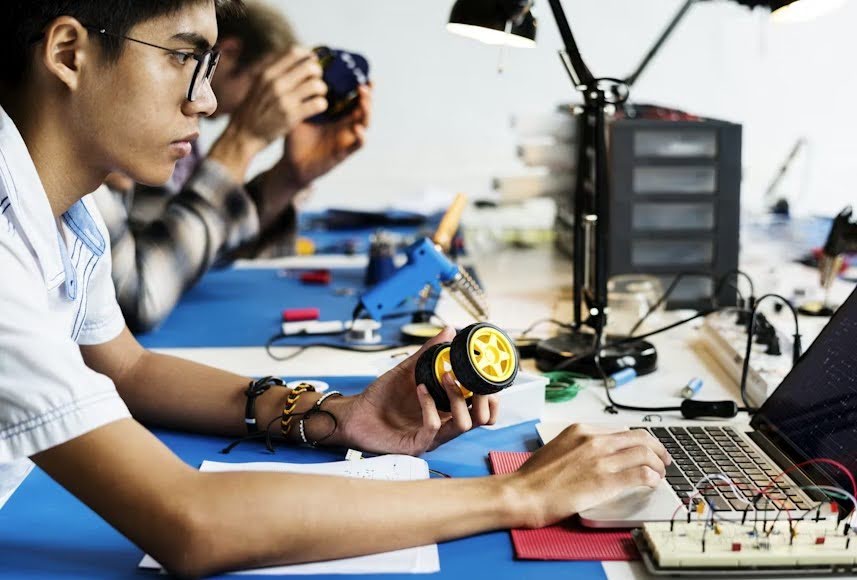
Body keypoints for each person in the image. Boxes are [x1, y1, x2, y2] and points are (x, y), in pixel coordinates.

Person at [0, 1, 670, 577]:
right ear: (68, 52)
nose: (205, 100)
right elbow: (189, 524)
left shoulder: (69, 215)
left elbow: (126, 368)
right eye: (184, 56)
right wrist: (519, 497)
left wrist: (334, 415)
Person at [94, 0, 371, 332]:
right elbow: (140, 294)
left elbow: (184, 252)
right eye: (183, 56)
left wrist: (287, 178)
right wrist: (242, 141)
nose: (205, 101)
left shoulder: (171, 140)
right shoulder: (107, 151)